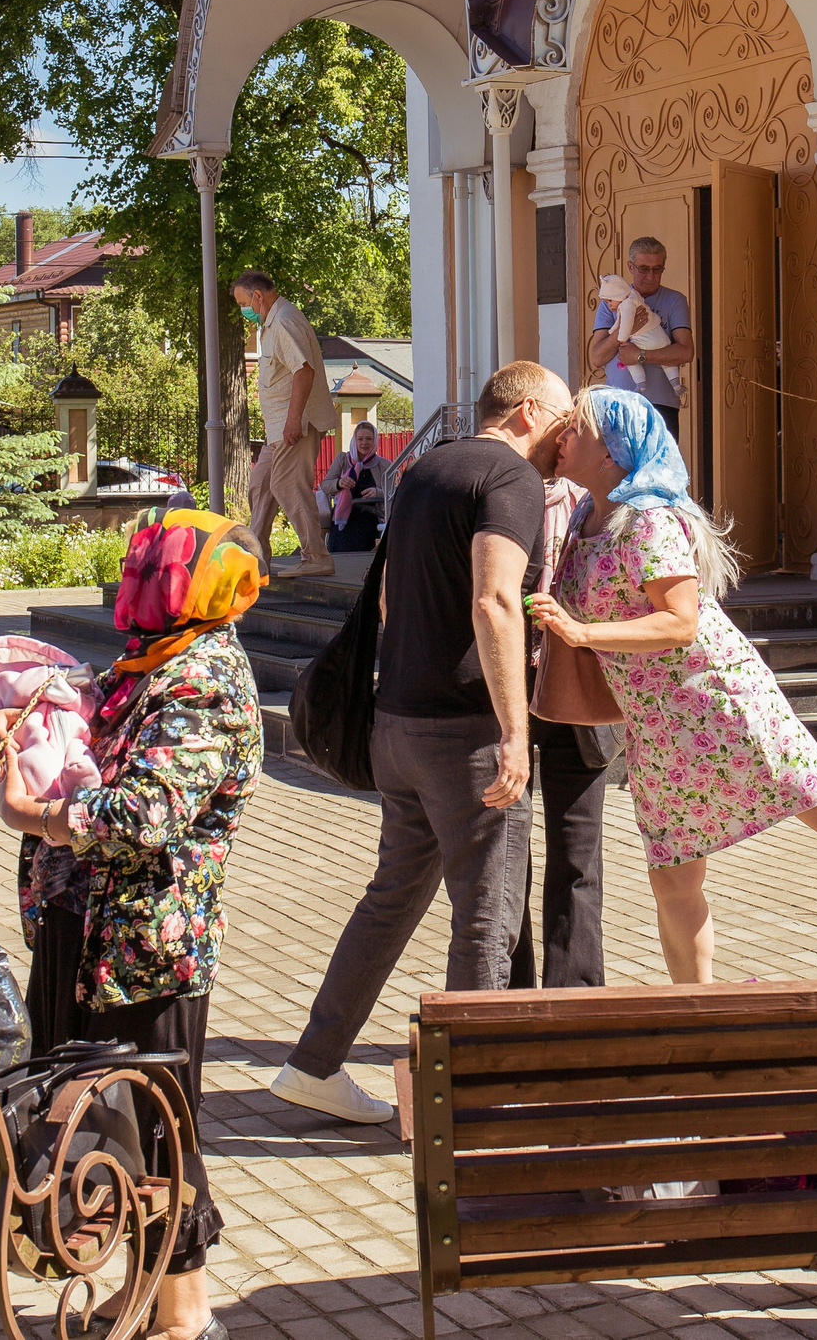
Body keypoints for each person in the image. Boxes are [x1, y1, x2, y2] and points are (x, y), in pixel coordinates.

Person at [527, 387, 817, 983]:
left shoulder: (648, 519)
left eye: (576, 430)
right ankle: (699, 1012)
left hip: (717, 701)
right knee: (672, 874)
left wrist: (583, 634)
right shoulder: (584, 514)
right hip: (658, 723)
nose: (562, 437)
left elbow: (681, 620)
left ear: (612, 449)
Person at [270, 361, 576, 1124]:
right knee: (487, 908)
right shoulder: (511, 479)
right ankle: (465, 1103)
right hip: (462, 732)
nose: (572, 436)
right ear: (531, 410)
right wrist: (514, 730)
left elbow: (394, 595)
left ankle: (314, 1063)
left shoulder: (427, 469)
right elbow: (494, 597)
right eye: (566, 419)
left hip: (396, 723)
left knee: (391, 899)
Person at [0, 507, 264, 1340]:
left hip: (149, 945)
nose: (131, 582)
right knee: (107, 1118)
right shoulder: (156, 657)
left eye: (148, 569)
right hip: (91, 930)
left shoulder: (205, 674)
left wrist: (34, 816)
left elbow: (146, 811)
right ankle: (143, 1286)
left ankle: (184, 1309)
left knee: (157, 1121)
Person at [510, 472, 619, 991]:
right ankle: (512, 998)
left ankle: (573, 1000)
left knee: (578, 854)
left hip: (576, 687)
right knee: (508, 855)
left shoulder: (593, 505)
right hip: (508, 684)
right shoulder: (501, 490)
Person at [236, 268, 341, 577]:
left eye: (243, 302)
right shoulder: (270, 324)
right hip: (279, 429)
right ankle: (256, 559)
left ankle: (316, 556)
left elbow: (303, 371)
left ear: (258, 296)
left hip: (294, 426)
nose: (243, 311)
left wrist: (293, 420)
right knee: (262, 483)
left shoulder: (284, 322)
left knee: (286, 483)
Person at [587, 236, 694, 439]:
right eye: (644, 268)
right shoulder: (611, 302)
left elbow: (686, 351)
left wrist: (641, 356)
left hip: (660, 406)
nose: (651, 276)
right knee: (617, 470)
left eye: (657, 269)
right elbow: (597, 358)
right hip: (617, 403)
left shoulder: (675, 300)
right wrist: (623, 332)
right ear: (630, 266)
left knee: (657, 470)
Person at [319, 420, 392, 554]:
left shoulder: (384, 465)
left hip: (371, 523)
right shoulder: (342, 460)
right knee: (342, 563)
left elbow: (394, 492)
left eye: (369, 438)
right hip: (343, 524)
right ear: (355, 440)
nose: (364, 443)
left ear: (375, 440)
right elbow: (325, 485)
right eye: (360, 439)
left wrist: (378, 492)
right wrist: (339, 483)